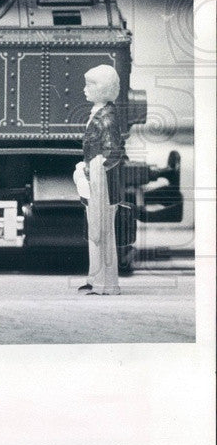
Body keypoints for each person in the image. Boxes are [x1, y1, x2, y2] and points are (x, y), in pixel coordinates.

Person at [73, 64, 124, 295]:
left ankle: (107, 283)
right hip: (96, 181)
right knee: (96, 231)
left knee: (103, 233)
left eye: (90, 85)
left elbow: (113, 153)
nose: (84, 89)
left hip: (103, 185)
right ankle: (96, 279)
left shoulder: (107, 117)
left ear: (103, 89)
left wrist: (93, 169)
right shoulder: (100, 113)